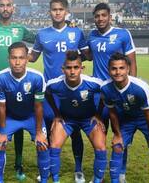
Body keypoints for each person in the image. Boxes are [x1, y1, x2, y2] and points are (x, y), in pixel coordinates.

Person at [29, 0, 88, 183]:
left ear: (66, 11)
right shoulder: (42, 34)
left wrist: (74, 61)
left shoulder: (76, 32)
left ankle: (78, 170)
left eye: (61, 9)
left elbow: (88, 55)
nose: (57, 12)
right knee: (47, 129)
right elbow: (32, 58)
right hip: (49, 92)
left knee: (76, 130)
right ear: (49, 12)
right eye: (54, 9)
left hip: (72, 91)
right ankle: (45, 169)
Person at [0, 0, 35, 180]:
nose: (5, 8)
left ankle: (18, 164)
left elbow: (40, 40)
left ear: (13, 8)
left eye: (8, 5)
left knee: (18, 126)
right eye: (2, 5)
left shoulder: (20, 30)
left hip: (17, 83)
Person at [85, 3, 137, 182]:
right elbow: (88, 56)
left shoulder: (123, 34)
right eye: (97, 16)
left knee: (120, 133)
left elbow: (132, 63)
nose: (100, 19)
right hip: (97, 93)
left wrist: (130, 89)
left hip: (117, 93)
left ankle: (120, 172)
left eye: (103, 15)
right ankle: (98, 174)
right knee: (98, 133)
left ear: (110, 17)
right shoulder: (91, 35)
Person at [101, 53, 149, 183]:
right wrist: (117, 134)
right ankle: (117, 180)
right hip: (127, 117)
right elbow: (112, 113)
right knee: (118, 146)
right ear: (109, 70)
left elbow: (148, 113)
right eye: (114, 68)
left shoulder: (140, 87)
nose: (118, 72)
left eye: (121, 68)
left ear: (128, 69)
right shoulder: (105, 88)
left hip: (147, 116)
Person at [46, 51, 107, 183]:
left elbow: (106, 92)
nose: (72, 71)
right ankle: (55, 180)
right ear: (63, 69)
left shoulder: (93, 83)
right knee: (54, 146)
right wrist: (56, 114)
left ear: (82, 68)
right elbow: (47, 93)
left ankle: (97, 180)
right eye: (68, 68)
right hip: (67, 120)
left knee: (101, 147)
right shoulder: (54, 84)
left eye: (76, 67)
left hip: (88, 119)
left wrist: (98, 114)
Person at [0, 42, 50, 183]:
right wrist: (3, 131)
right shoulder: (0, 77)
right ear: (8, 59)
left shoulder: (37, 77)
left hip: (31, 117)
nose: (17, 62)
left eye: (21, 58)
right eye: (14, 58)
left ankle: (43, 179)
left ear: (27, 58)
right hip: (10, 117)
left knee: (42, 144)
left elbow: (38, 107)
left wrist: (39, 133)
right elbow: (1, 107)